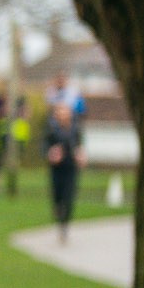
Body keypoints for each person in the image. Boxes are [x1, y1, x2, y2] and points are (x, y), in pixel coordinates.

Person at [45, 101, 85, 243]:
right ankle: (58, 214)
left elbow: (80, 147)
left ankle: (65, 224)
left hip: (71, 168)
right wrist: (51, 154)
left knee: (69, 196)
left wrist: (81, 156)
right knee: (57, 195)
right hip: (57, 169)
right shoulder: (51, 130)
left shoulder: (75, 130)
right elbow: (45, 147)